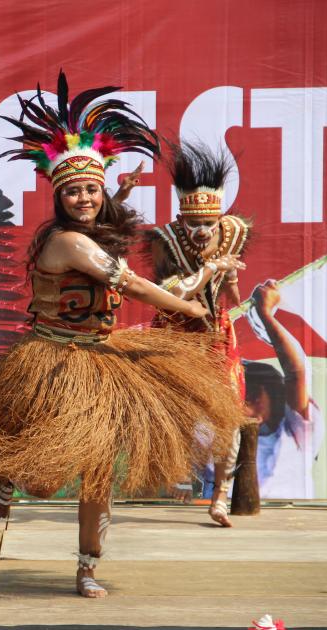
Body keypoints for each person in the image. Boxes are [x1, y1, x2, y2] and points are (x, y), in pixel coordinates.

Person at [0, 71, 244, 598]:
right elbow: (131, 282)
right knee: (45, 477)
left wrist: (121, 193)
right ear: (59, 197)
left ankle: (87, 567)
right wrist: (185, 304)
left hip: (102, 359)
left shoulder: (94, 229)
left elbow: (117, 232)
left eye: (92, 189)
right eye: (74, 192)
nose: (84, 198)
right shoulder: (68, 243)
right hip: (54, 362)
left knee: (98, 471)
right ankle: (4, 471)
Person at [140, 141, 250, 526]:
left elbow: (232, 286)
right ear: (181, 219)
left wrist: (231, 280)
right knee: (177, 409)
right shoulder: (165, 241)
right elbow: (170, 295)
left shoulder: (233, 231)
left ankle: (220, 496)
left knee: (228, 415)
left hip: (217, 334)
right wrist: (208, 269)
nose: (203, 232)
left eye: (209, 224)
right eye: (195, 225)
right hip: (175, 334)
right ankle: (180, 472)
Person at [245, 280, 323, 498]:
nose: (246, 400)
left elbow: (296, 373)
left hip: (287, 524)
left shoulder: (296, 435)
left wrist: (265, 314)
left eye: (251, 393)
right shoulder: (218, 436)